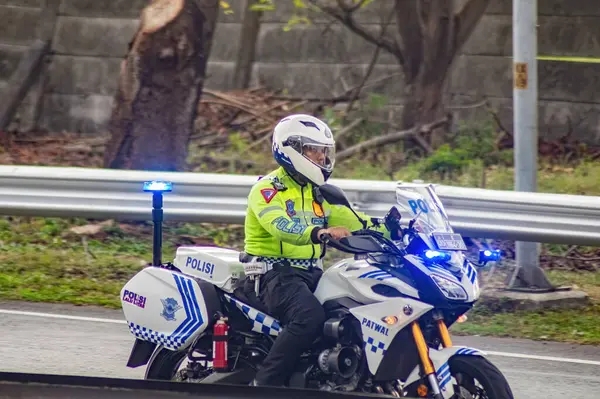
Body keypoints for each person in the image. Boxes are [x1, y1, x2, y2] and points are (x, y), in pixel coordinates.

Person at [241, 114, 396, 387]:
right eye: (314, 150)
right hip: (273, 275)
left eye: (324, 151)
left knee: (352, 312)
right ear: (292, 150)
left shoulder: (319, 193)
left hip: (311, 273)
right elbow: (279, 225)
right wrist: (317, 232)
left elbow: (354, 222)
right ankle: (263, 385)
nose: (322, 158)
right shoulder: (267, 189)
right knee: (308, 317)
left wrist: (393, 228)